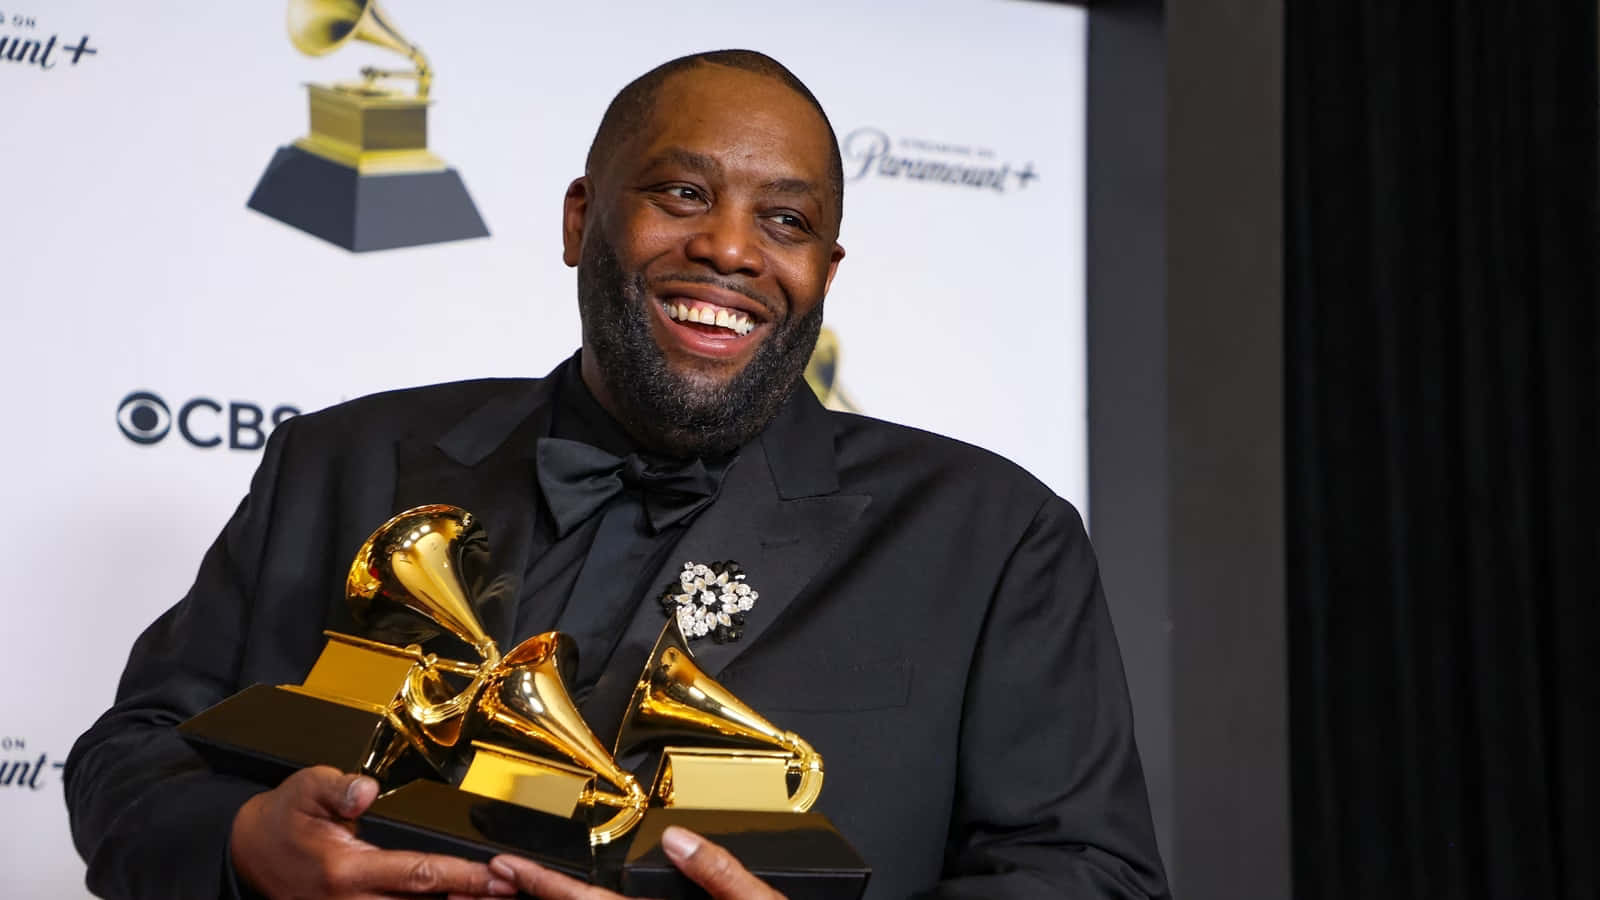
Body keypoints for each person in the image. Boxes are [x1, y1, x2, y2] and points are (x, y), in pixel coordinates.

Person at [65, 50, 1170, 899]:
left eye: (784, 220)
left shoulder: (988, 537)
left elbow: (1090, 876)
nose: (732, 249)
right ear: (581, 218)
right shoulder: (343, 462)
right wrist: (244, 845)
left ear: (824, 271)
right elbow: (133, 755)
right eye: (683, 195)